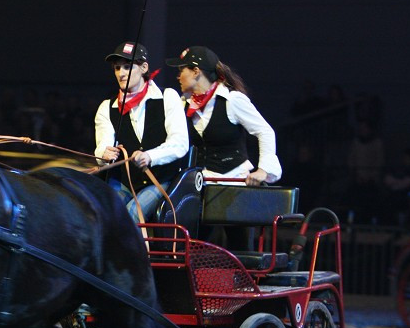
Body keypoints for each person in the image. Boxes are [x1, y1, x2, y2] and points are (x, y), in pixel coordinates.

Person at [94, 41, 190, 222]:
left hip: (161, 179)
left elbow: (180, 143)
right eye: (117, 68)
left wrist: (150, 156)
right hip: (123, 182)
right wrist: (104, 154)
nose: (121, 73)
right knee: (103, 216)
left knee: (130, 215)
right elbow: (102, 148)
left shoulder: (167, 97)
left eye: (127, 67)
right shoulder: (106, 108)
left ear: (144, 67)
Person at [167, 46, 281, 187]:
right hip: (202, 182)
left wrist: (264, 170)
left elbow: (265, 131)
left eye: (181, 70)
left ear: (196, 72)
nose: (178, 77)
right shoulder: (184, 104)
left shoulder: (231, 100)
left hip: (235, 181)